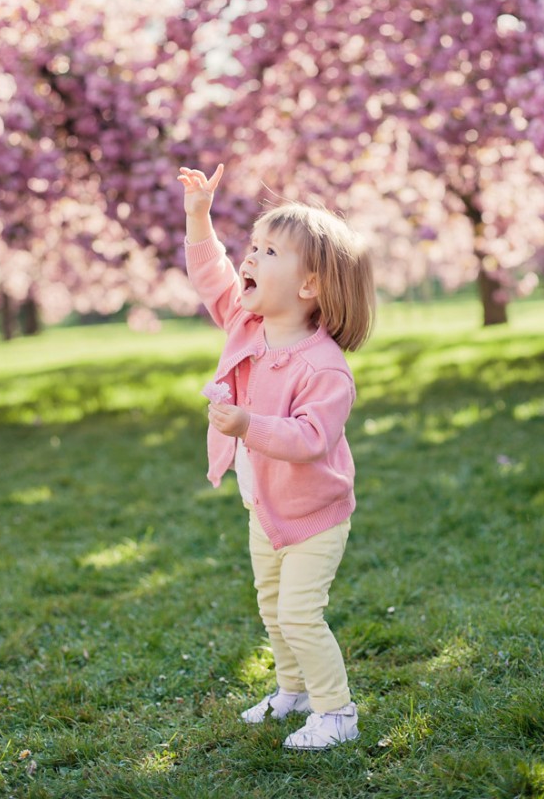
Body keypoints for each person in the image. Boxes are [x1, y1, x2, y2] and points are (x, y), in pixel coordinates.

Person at [177, 163, 375, 751]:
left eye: (268, 252)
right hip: (263, 506)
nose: (250, 259)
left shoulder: (324, 368)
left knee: (299, 614)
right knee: (271, 606)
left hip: (314, 514)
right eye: (253, 247)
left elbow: (310, 439)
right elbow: (212, 276)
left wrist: (247, 425)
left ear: (310, 285)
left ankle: (337, 712)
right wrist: (198, 217)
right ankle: (293, 691)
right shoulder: (246, 320)